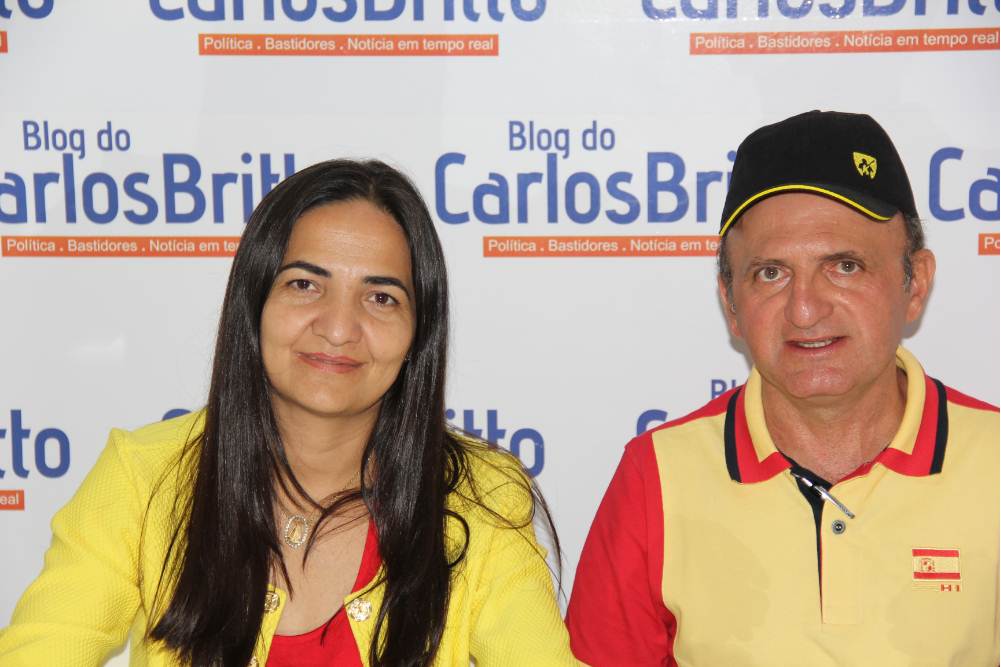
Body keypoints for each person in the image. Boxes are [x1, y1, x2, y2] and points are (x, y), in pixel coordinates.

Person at [0, 159, 577, 666]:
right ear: (254, 303)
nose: (339, 327)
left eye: (381, 297)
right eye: (305, 284)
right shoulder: (142, 476)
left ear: (417, 334)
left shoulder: (480, 494)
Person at [566, 111, 999, 665]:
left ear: (915, 284)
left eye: (844, 266)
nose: (804, 309)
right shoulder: (658, 475)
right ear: (731, 305)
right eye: (770, 273)